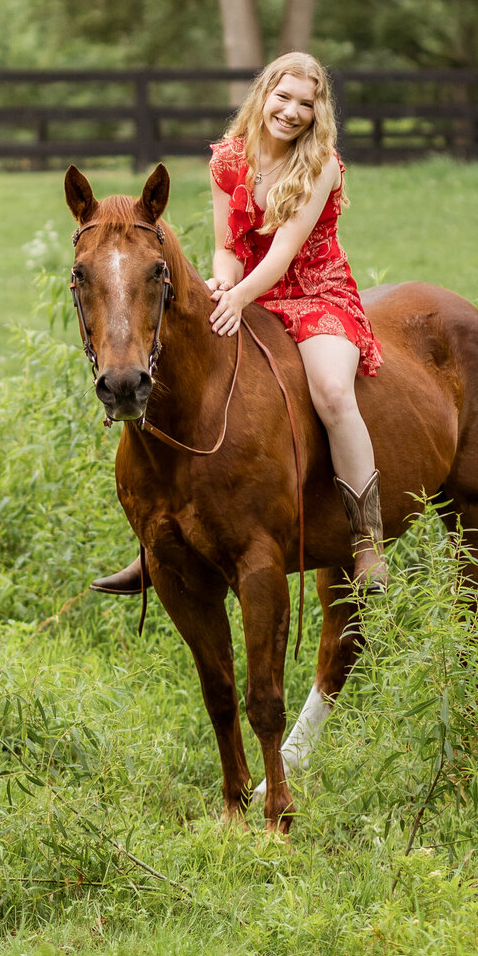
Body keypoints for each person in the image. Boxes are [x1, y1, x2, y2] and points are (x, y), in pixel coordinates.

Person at [92, 51, 388, 598]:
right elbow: (228, 245)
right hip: (247, 292)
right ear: (263, 95)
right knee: (175, 369)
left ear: (318, 111)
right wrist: (224, 283)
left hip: (314, 292)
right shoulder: (229, 159)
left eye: (306, 103)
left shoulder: (320, 164)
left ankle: (367, 541)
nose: (292, 112)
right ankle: (154, 543)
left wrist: (241, 293)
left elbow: (284, 250)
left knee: (331, 391)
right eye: (283, 97)